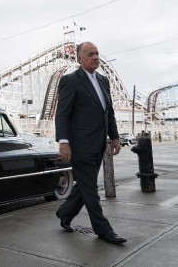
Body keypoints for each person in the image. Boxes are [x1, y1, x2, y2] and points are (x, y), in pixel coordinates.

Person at [54, 42, 127, 244]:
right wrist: (64, 141)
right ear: (80, 58)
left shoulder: (103, 81)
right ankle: (104, 230)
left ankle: (65, 213)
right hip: (80, 145)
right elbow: (62, 114)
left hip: (98, 143)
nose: (96, 57)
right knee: (91, 190)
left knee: (84, 186)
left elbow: (108, 111)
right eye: (90, 54)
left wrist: (115, 136)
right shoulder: (71, 81)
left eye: (97, 53)